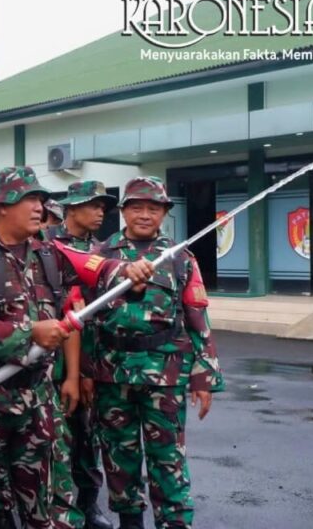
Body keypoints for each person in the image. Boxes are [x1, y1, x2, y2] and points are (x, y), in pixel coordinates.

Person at [0, 166, 151, 529]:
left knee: (52, 510)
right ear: (1, 206)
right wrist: (30, 332)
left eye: (41, 199)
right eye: (29, 198)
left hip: (38, 406)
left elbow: (97, 271)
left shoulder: (49, 254)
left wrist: (128, 274)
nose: (39, 206)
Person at [91, 177, 224, 529]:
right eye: (137, 207)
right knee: (119, 454)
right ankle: (130, 520)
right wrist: (83, 374)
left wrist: (203, 377)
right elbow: (85, 318)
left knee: (168, 456)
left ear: (164, 212)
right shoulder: (100, 256)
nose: (145, 215)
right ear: (123, 212)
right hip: (111, 372)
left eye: (153, 208)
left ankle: (174, 521)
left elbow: (197, 316)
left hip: (165, 372)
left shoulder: (180, 257)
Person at [43, 181, 117, 529]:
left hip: (93, 356)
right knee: (50, 436)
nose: (101, 211)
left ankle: (88, 505)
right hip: (53, 355)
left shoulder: (106, 251)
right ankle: (48, 505)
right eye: (93, 204)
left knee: (87, 437)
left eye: (103, 205)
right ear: (71, 208)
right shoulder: (45, 242)